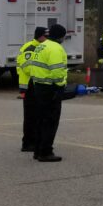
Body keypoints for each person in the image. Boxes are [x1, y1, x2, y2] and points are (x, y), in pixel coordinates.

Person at [28, 24, 69, 162]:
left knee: (40, 120)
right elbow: (57, 70)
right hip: (50, 88)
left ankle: (38, 150)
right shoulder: (56, 48)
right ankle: (46, 152)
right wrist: (60, 87)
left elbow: (34, 67)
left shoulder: (41, 45)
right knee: (50, 122)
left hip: (38, 86)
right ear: (61, 36)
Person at [17, 27, 47, 153]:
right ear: (40, 36)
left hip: (36, 85)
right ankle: (27, 143)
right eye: (46, 35)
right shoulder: (30, 48)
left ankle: (35, 141)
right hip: (29, 86)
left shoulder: (42, 47)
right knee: (30, 116)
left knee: (37, 115)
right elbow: (28, 68)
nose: (47, 38)